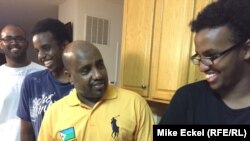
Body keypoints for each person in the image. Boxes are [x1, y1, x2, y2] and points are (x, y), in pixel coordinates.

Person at [38, 40, 155, 141]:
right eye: (86, 70)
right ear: (70, 77)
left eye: (100, 65)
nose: (98, 75)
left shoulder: (135, 104)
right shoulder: (55, 113)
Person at [159, 0, 250, 124]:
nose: (202, 67)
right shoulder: (187, 99)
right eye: (199, 56)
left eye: (212, 55)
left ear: (246, 49)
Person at [17, 18, 74, 141]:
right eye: (37, 50)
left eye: (46, 48)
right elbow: (26, 132)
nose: (41, 56)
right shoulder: (32, 82)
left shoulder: (80, 85)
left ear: (64, 45)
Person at [0, 24, 45, 141]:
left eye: (19, 38)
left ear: (27, 43)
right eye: (8, 39)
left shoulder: (44, 73)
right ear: (1, 45)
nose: (14, 42)